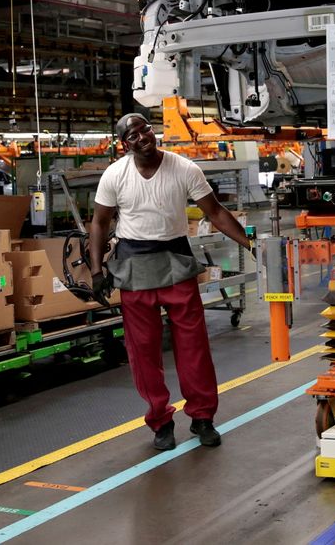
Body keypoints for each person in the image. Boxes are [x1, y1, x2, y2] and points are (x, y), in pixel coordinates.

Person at [88, 112, 253, 450]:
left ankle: (202, 417)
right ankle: (160, 421)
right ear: (125, 144)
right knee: (143, 351)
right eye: (133, 135)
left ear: (153, 131)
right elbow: (99, 222)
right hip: (134, 266)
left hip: (176, 261)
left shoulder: (184, 168)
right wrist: (96, 270)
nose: (142, 137)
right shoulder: (115, 175)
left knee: (193, 347)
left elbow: (216, 212)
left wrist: (253, 246)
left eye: (145, 130)